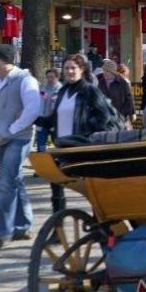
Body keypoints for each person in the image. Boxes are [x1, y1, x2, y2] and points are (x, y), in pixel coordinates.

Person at [36, 54, 124, 216]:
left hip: (82, 148)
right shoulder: (62, 91)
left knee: (92, 189)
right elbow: (56, 118)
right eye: (66, 68)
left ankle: (101, 221)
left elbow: (104, 116)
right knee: (56, 183)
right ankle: (58, 224)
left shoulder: (89, 90)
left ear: (81, 70)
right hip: (63, 147)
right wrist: (38, 120)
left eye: (73, 68)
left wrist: (86, 133)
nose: (69, 71)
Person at [0, 44, 42, 249]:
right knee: (15, 179)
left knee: (6, 183)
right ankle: (23, 226)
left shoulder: (25, 80)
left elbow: (33, 108)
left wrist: (12, 129)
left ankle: (3, 232)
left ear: (3, 61)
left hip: (19, 138)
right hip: (0, 138)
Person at [97, 59, 135, 127]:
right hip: (104, 117)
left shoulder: (122, 82)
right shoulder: (99, 81)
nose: (105, 73)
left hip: (119, 116)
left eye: (107, 71)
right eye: (104, 70)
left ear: (113, 72)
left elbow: (129, 98)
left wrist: (129, 113)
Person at [36, 68, 62, 153]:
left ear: (57, 77)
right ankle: (42, 164)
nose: (49, 79)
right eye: (48, 77)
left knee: (58, 145)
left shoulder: (61, 89)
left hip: (55, 122)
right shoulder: (42, 88)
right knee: (41, 145)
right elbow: (39, 101)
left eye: (52, 77)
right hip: (42, 120)